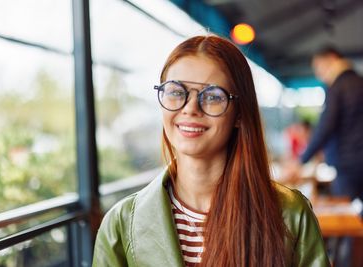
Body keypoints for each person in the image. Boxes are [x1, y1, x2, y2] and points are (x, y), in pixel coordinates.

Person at [93, 35, 330, 266]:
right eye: (176, 91)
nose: (191, 108)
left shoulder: (290, 213)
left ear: (239, 113)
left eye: (213, 96)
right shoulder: (120, 224)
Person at [300, 47, 363, 201]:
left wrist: (302, 159)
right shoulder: (359, 82)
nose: (318, 74)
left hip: (348, 166)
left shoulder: (338, 87)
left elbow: (325, 127)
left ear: (332, 58)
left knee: (346, 216)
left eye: (318, 66)